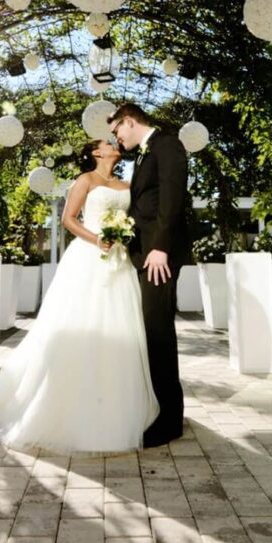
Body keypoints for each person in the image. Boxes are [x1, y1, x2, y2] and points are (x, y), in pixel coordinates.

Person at [0, 139, 159, 454]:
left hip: (119, 261)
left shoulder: (126, 183)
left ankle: (119, 406)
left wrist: (124, 236)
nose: (113, 143)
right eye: (106, 142)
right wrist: (98, 238)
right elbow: (69, 220)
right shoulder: (85, 180)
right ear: (96, 153)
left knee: (120, 326)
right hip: (90, 257)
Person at [108, 103, 190, 447]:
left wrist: (160, 247)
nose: (116, 137)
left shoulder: (167, 144)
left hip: (160, 256)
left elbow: (173, 199)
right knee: (150, 330)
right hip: (146, 255)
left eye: (116, 130)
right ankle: (161, 408)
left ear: (129, 121)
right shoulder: (143, 154)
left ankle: (170, 421)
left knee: (158, 332)